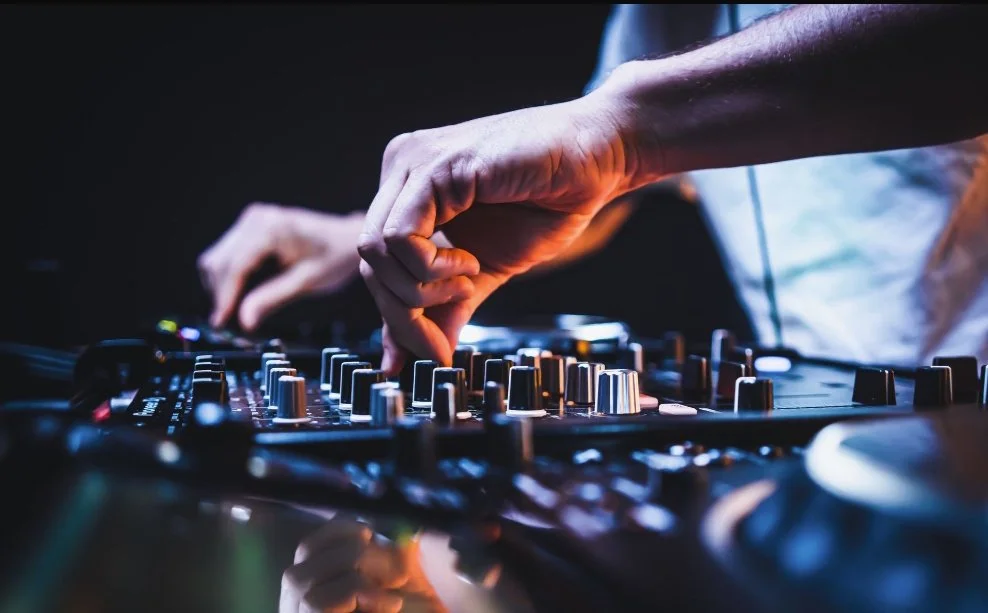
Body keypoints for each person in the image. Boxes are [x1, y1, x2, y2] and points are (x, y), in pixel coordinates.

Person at [201, 4, 988, 373]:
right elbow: (595, 192)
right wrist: (360, 235)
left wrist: (626, 126)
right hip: (827, 458)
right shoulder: (657, 18)